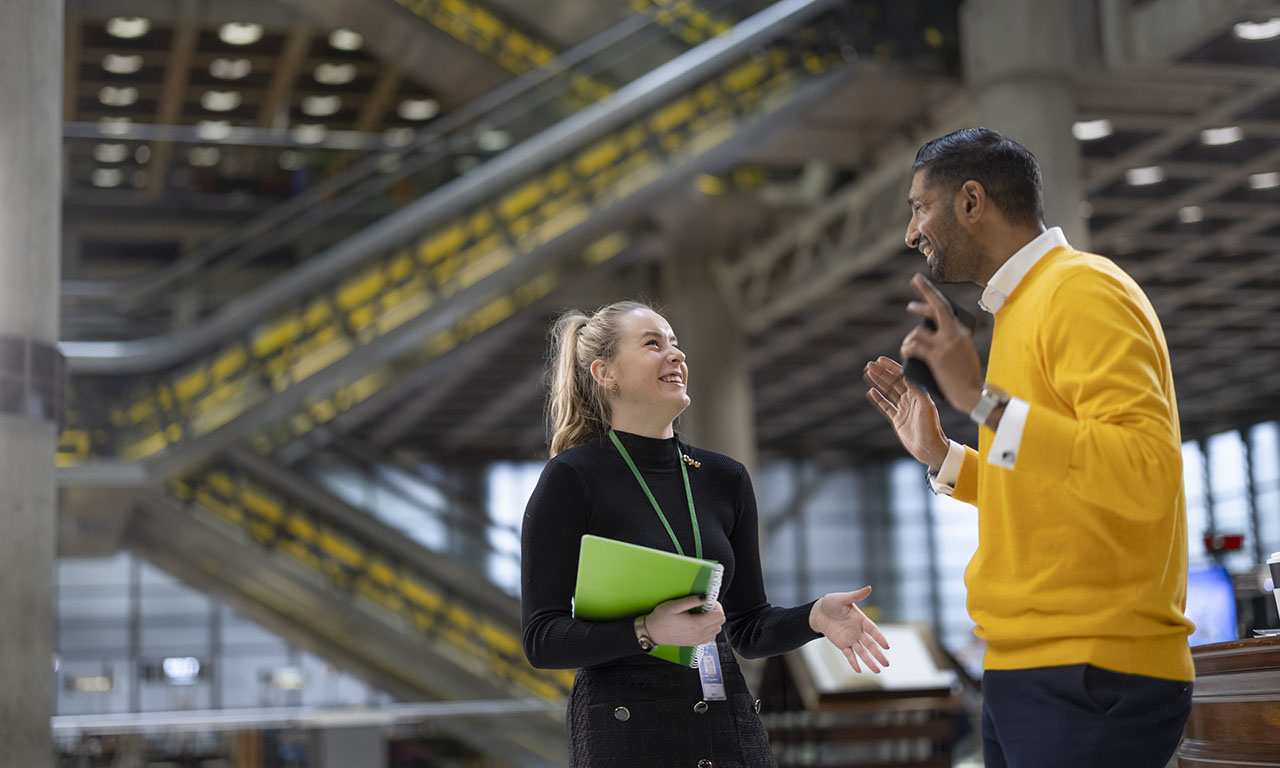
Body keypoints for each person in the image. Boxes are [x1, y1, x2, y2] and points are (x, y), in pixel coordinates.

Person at [863, 128, 1194, 768]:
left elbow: (1143, 473)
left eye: (917, 206)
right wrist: (945, 457)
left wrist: (982, 404)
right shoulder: (1021, 309)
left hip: (1090, 668)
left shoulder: (1081, 291)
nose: (910, 232)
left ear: (970, 201)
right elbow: (1057, 482)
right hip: (1033, 663)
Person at [523, 300, 890, 767]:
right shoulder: (573, 477)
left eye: (676, 344)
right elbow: (542, 638)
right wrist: (647, 630)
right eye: (653, 344)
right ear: (605, 373)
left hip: (725, 722)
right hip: (624, 730)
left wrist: (814, 617)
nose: (676, 355)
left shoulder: (724, 478)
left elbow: (749, 626)